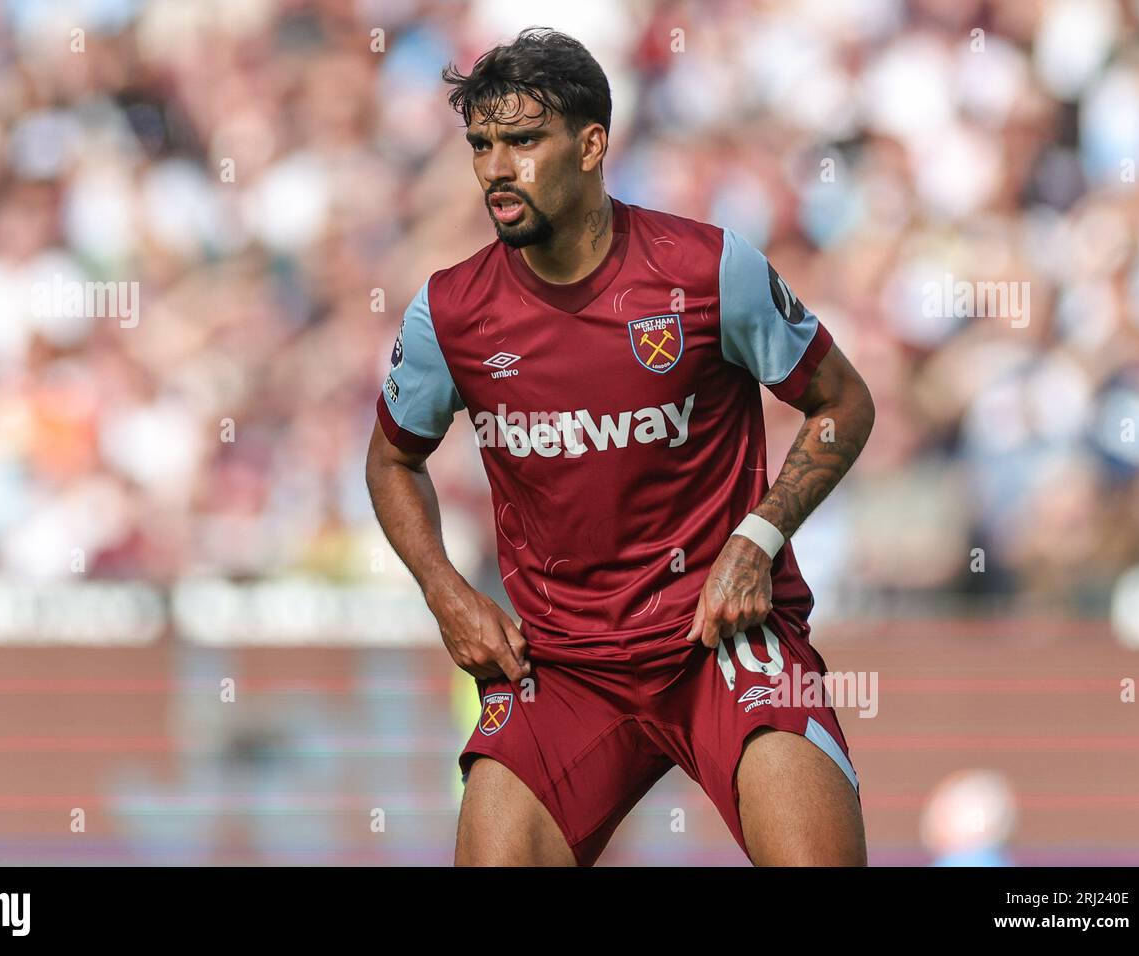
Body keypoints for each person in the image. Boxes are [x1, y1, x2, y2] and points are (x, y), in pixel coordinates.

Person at [365, 28, 875, 866]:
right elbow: (392, 459)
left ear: (593, 144)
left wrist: (759, 538)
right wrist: (444, 591)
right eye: (482, 145)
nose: (497, 168)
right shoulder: (448, 314)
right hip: (564, 666)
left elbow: (841, 404)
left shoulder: (707, 270)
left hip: (722, 642)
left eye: (524, 141)